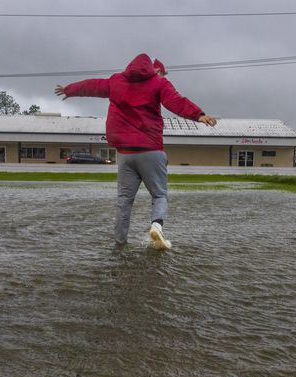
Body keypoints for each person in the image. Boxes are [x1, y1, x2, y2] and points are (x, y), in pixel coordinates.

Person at [55, 53, 217, 249]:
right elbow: (176, 101)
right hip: (150, 150)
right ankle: (157, 225)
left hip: (125, 154)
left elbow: (93, 86)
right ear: (156, 70)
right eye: (162, 73)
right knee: (159, 195)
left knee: (124, 201)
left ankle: (120, 245)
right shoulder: (159, 83)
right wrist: (198, 115)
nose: (163, 76)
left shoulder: (116, 81)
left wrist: (70, 90)